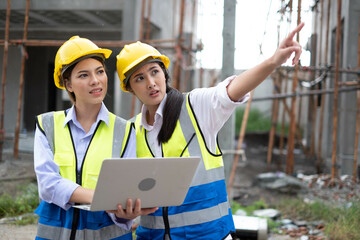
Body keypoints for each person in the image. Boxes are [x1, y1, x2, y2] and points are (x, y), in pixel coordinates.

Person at [115, 22, 305, 240]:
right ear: (130, 87)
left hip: (209, 235)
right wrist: (125, 214)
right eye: (140, 78)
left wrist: (273, 61)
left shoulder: (196, 107)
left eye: (154, 72)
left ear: (164, 72)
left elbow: (233, 89)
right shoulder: (129, 131)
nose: (151, 83)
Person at [34, 36, 157, 240]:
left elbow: (124, 192)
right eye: (83, 75)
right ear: (68, 84)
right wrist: (101, 197)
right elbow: (48, 185)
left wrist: (125, 211)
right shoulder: (47, 125)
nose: (95, 80)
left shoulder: (125, 130)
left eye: (99, 71)